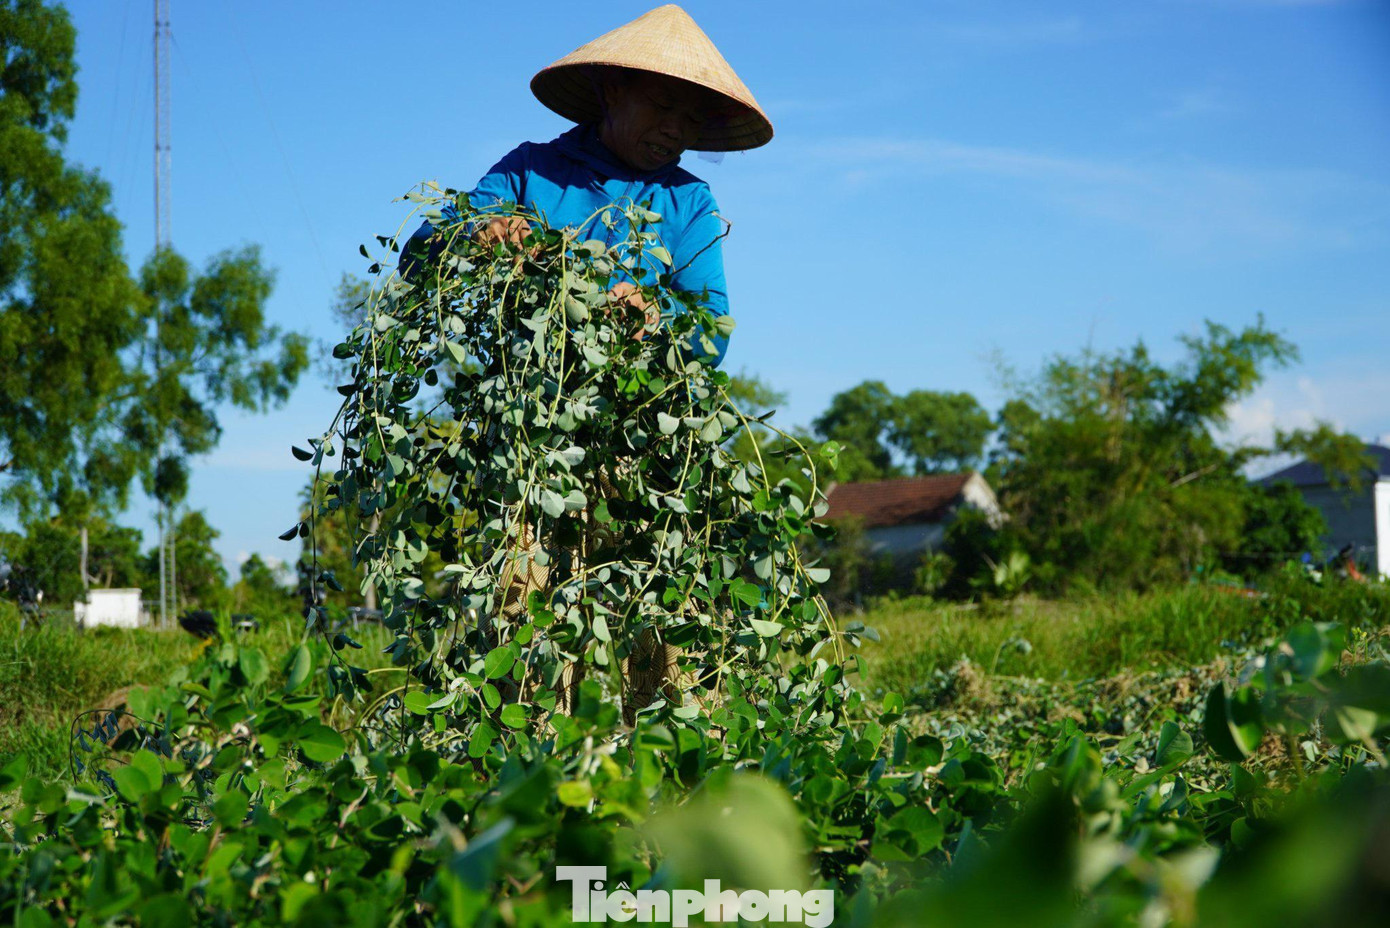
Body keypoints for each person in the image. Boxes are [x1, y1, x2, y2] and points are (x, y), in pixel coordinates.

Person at [399, 4, 773, 367]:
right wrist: (478, 230)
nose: (674, 130)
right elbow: (418, 252)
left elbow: (712, 335)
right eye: (661, 105)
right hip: (523, 410)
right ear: (612, 91)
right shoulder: (531, 169)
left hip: (627, 418)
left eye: (691, 119)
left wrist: (657, 313)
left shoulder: (689, 203)